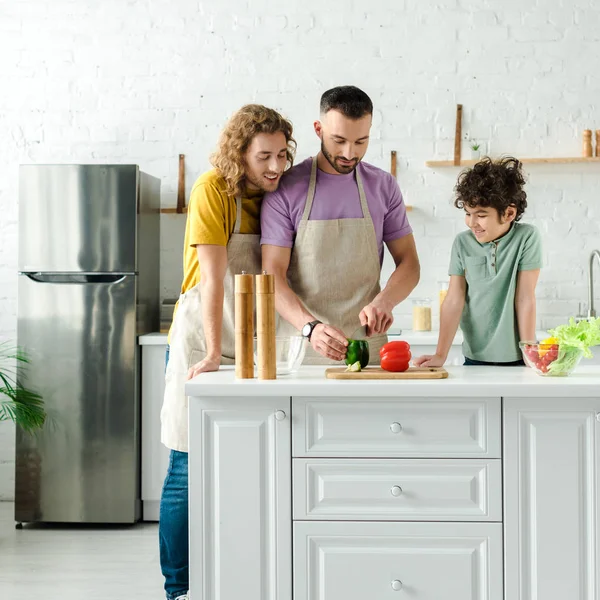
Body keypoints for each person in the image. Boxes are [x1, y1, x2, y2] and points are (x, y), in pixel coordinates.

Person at [159, 104, 296, 600]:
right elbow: (214, 277)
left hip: (256, 338)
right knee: (187, 462)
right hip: (202, 335)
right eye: (264, 156)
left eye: (282, 154)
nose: (276, 166)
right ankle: (179, 589)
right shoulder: (211, 189)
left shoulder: (277, 196)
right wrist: (215, 352)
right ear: (239, 152)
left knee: (250, 464)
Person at [261, 86, 419, 363]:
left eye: (361, 142)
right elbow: (271, 273)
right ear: (318, 129)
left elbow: (409, 263)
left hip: (367, 346)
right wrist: (310, 327)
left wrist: (385, 301)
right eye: (339, 140)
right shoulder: (287, 188)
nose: (349, 153)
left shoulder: (383, 186)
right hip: (300, 347)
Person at [415, 156, 542, 368]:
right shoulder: (462, 243)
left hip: (517, 359)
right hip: (474, 357)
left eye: (481, 215)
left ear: (509, 213)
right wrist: (440, 354)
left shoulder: (527, 238)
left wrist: (529, 354)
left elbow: (525, 298)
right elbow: (454, 299)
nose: (472, 223)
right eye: (468, 214)